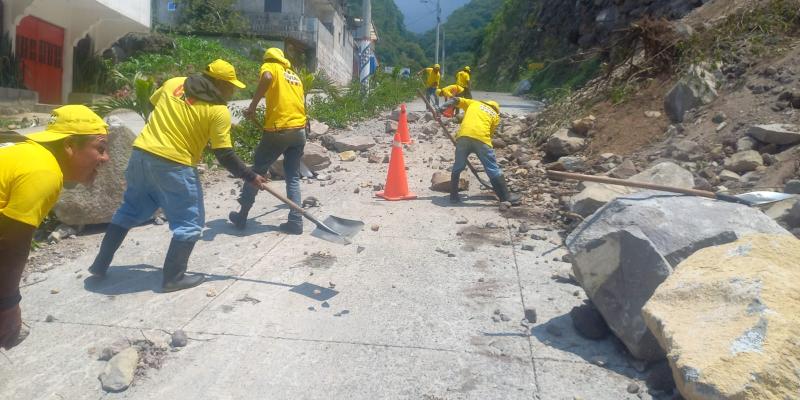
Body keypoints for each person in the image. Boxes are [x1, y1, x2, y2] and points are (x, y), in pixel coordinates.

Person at [88, 59, 266, 293]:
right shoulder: (218, 110)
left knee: (129, 210)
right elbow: (225, 154)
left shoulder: (174, 83)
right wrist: (250, 176)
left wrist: (188, 134)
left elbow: (156, 109)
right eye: (230, 85)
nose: (232, 91)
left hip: (141, 154)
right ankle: (173, 277)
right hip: (174, 164)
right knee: (189, 222)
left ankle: (100, 265)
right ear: (219, 83)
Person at [0, 105, 109, 349]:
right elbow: (12, 243)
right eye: (100, 149)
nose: (105, 158)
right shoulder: (44, 171)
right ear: (69, 146)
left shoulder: (26, 154)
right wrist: (8, 305)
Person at [229, 48, 307, 234]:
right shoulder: (293, 75)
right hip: (299, 131)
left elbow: (266, 78)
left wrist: (253, 106)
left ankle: (242, 215)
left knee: (256, 171)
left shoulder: (270, 66)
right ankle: (296, 221)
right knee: (293, 177)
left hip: (279, 130)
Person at [438, 97, 521, 205]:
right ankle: (505, 197)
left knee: (458, 166)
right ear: (496, 109)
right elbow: (490, 134)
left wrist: (440, 109)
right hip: (482, 139)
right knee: (492, 168)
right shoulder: (495, 115)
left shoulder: (474, 103)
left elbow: (455, 100)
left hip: (463, 137)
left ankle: (453, 197)